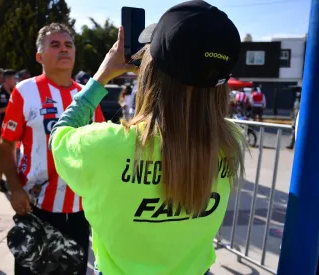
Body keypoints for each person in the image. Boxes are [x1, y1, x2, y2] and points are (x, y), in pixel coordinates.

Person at [49, 1, 244, 274]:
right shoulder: (231, 141)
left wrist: (102, 75)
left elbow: (59, 135)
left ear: (151, 70)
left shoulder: (107, 145)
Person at [0, 22, 105, 275]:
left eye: (68, 45)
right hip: (35, 208)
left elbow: (100, 146)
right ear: (39, 56)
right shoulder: (24, 92)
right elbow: (6, 145)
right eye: (55, 45)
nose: (64, 50)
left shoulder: (88, 96)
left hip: (78, 211)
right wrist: (14, 188)